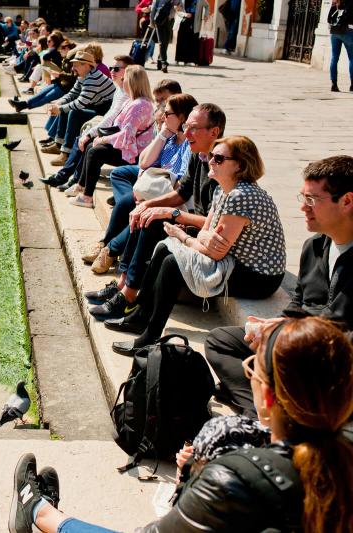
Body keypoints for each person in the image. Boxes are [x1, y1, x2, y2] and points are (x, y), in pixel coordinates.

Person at [8, 316, 353, 533]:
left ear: (268, 398)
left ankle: (39, 510)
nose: (248, 375)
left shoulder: (233, 477)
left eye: (252, 370)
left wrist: (192, 481)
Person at [110, 136, 286, 356]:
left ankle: (150, 337)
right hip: (234, 260)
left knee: (173, 263)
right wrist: (203, 238)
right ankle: (139, 317)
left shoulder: (241, 196)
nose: (211, 161)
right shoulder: (223, 189)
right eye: (212, 156)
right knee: (165, 248)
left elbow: (215, 250)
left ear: (239, 165)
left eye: (219, 158)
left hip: (258, 276)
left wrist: (182, 236)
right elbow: (206, 233)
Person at [206, 155, 353, 416]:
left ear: (347, 201)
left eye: (312, 200)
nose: (303, 208)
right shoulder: (315, 246)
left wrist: (288, 330)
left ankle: (264, 411)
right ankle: (259, 413)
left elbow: (343, 327)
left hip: (336, 358)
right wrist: (269, 326)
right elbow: (298, 303)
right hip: (298, 343)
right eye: (303, 198)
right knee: (221, 341)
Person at [90, 103, 224, 324]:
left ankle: (129, 296)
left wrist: (171, 214)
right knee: (143, 212)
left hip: (208, 234)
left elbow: (213, 223)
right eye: (186, 127)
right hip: (195, 224)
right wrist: (149, 205)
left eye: (193, 128)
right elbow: (181, 194)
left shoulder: (220, 164)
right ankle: (123, 285)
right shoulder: (198, 156)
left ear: (214, 132)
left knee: (152, 222)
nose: (186, 133)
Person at [84, 92, 195, 281]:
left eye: (167, 113)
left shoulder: (189, 145)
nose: (162, 115)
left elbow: (180, 184)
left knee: (133, 207)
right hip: (155, 185)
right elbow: (144, 162)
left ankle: (111, 248)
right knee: (124, 193)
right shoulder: (169, 137)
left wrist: (145, 201)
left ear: (182, 117)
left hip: (170, 194)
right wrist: (162, 133)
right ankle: (108, 244)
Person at [67, 65, 155, 209]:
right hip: (128, 147)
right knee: (91, 146)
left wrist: (102, 139)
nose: (121, 80)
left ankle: (87, 196)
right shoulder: (134, 101)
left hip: (134, 153)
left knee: (95, 152)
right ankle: (81, 187)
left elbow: (127, 135)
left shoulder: (138, 105)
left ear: (132, 82)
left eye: (124, 78)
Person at [43, 51, 115, 167]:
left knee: (74, 113)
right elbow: (72, 94)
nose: (73, 68)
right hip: (98, 107)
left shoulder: (93, 78)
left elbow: (81, 103)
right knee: (66, 109)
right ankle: (59, 145)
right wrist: (59, 104)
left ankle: (66, 153)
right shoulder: (84, 75)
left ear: (86, 65)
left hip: (106, 113)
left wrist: (60, 109)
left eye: (76, 65)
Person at [150, 0, 182, 72]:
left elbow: (181, 9)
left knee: (166, 42)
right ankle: (164, 63)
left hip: (170, 21)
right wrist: (151, 22)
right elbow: (153, 9)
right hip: (159, 21)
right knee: (162, 42)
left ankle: (159, 61)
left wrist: (178, 8)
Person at [328, 0, 353, 92]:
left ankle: (333, 84)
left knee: (334, 58)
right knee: (352, 58)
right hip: (348, 31)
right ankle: (352, 85)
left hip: (334, 32)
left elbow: (328, 19)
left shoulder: (335, 1)